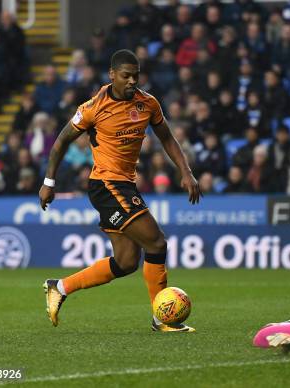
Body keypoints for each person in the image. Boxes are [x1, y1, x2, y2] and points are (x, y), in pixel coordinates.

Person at [40, 49, 201, 333]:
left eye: (136, 75)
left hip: (125, 183)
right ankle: (161, 318)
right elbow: (61, 141)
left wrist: (186, 172)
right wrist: (49, 182)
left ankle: (60, 287)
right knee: (156, 243)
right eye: (126, 75)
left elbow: (167, 138)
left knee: (126, 261)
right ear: (112, 75)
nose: (131, 81)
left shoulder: (148, 103)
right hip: (106, 184)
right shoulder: (93, 107)